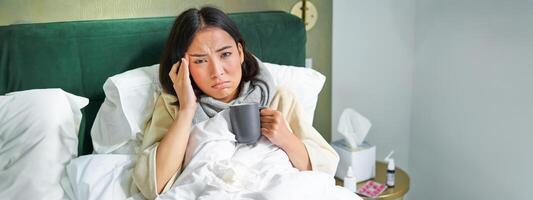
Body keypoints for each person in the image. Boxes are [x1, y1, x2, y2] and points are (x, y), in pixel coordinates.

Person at [131, 6, 339, 200]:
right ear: (183, 66)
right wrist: (187, 110)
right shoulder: (173, 106)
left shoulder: (279, 98)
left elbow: (323, 169)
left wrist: (286, 139)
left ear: (240, 52)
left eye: (225, 54)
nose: (217, 71)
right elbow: (153, 185)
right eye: (200, 60)